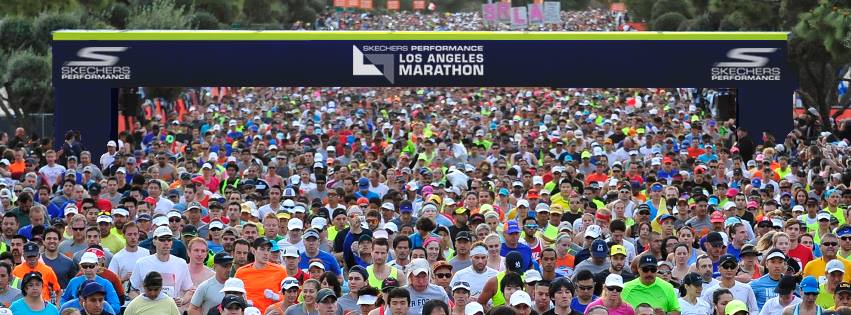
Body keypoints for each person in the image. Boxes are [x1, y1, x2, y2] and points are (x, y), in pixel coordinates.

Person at [130, 226, 194, 307]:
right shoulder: (142, 263)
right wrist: (143, 302)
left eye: (169, 239)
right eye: (162, 239)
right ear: (154, 241)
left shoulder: (181, 263)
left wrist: (182, 300)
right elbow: (131, 290)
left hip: (170, 310)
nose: (166, 242)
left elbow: (190, 290)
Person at [236, 237, 288, 313]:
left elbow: (289, 296)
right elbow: (234, 295)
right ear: (253, 251)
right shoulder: (241, 272)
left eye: (268, 249)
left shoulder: (280, 271)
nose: (266, 253)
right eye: (262, 249)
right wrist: (244, 302)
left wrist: (277, 297)